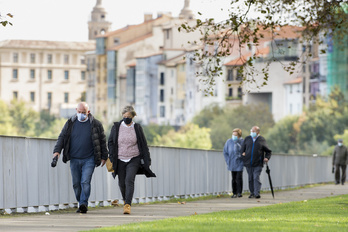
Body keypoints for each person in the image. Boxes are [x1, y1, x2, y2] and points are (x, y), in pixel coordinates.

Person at [52, 102, 108, 213]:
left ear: (88, 112)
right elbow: (62, 137)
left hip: (89, 159)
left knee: (85, 182)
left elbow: (102, 141)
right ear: (76, 110)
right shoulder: (70, 123)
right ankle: (80, 203)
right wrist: (57, 152)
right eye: (79, 112)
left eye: (83, 113)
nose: (81, 114)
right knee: (76, 184)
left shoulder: (96, 124)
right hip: (74, 158)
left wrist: (104, 156)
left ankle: (83, 203)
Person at [108, 106, 156, 215]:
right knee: (121, 183)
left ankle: (127, 205)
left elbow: (143, 144)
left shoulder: (137, 128)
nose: (126, 118)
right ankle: (126, 200)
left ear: (133, 116)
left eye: (128, 117)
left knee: (129, 180)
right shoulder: (116, 127)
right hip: (119, 158)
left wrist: (147, 160)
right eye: (124, 117)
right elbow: (110, 142)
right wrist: (111, 155)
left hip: (134, 158)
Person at [241, 126, 271, 199]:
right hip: (248, 163)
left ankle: (256, 193)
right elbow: (242, 149)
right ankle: (252, 193)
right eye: (251, 131)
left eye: (253, 131)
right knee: (250, 178)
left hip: (258, 163)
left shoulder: (261, 140)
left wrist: (267, 157)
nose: (252, 132)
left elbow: (268, 151)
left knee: (255, 177)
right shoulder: (247, 139)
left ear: (258, 132)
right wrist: (243, 155)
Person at [223, 128, 244, 198]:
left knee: (239, 178)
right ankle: (234, 193)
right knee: (233, 178)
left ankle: (239, 192)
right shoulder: (229, 141)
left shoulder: (242, 142)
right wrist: (228, 160)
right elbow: (225, 152)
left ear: (239, 135)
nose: (233, 136)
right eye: (233, 134)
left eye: (235, 135)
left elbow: (245, 151)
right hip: (232, 162)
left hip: (239, 162)